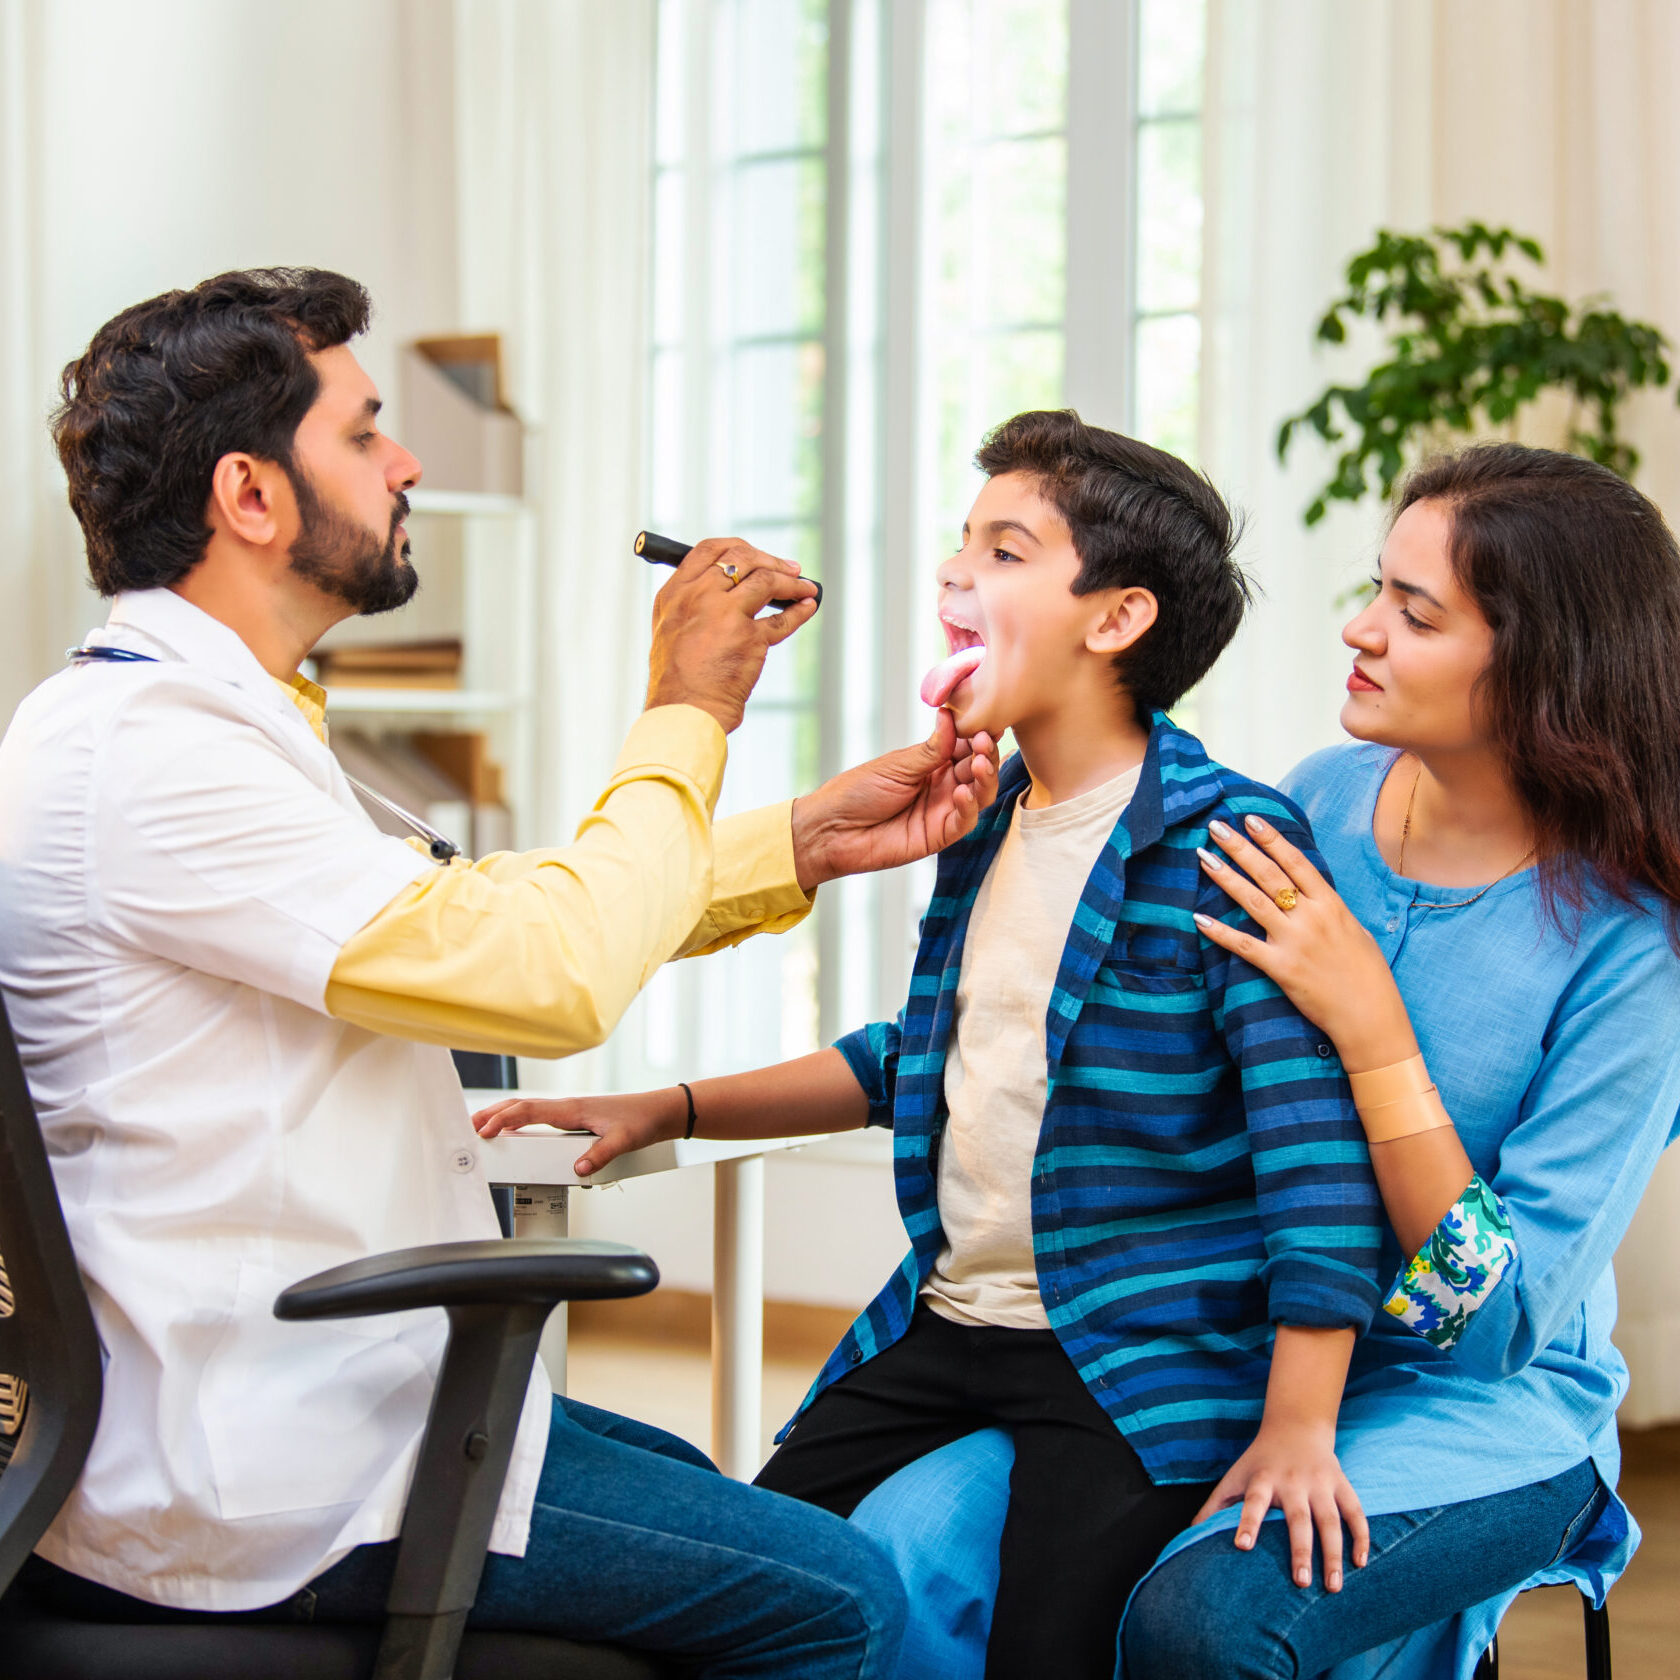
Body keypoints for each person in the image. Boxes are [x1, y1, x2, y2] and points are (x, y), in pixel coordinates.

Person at [0, 267, 1004, 1680]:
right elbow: (547, 977)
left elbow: (470, 918)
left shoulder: (180, 723)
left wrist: (801, 842)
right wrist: (687, 707)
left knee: (744, 1499)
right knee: (834, 1594)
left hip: (325, 1391)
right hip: (264, 1460)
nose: (405, 462)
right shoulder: (154, 755)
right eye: (362, 432)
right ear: (251, 494)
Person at [473, 410, 1388, 1680]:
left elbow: (1315, 1154)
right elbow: (924, 1057)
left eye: (1003, 551)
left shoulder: (1231, 844)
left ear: (1116, 621)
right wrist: (667, 1108)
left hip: (1129, 1353)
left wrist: (1300, 1424)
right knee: (765, 1578)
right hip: (946, 1322)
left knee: (1046, 1649)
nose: (957, 573)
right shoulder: (986, 812)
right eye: (961, 544)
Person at [853, 442, 1680, 1680]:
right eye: (1377, 590)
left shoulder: (1637, 949)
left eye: (1415, 612)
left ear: (1543, 660)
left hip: (1476, 1412)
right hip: (1221, 1346)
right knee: (887, 1564)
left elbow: (1490, 1319)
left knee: (1199, 1627)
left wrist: (1374, 1029)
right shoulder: (1321, 801)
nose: (1362, 629)